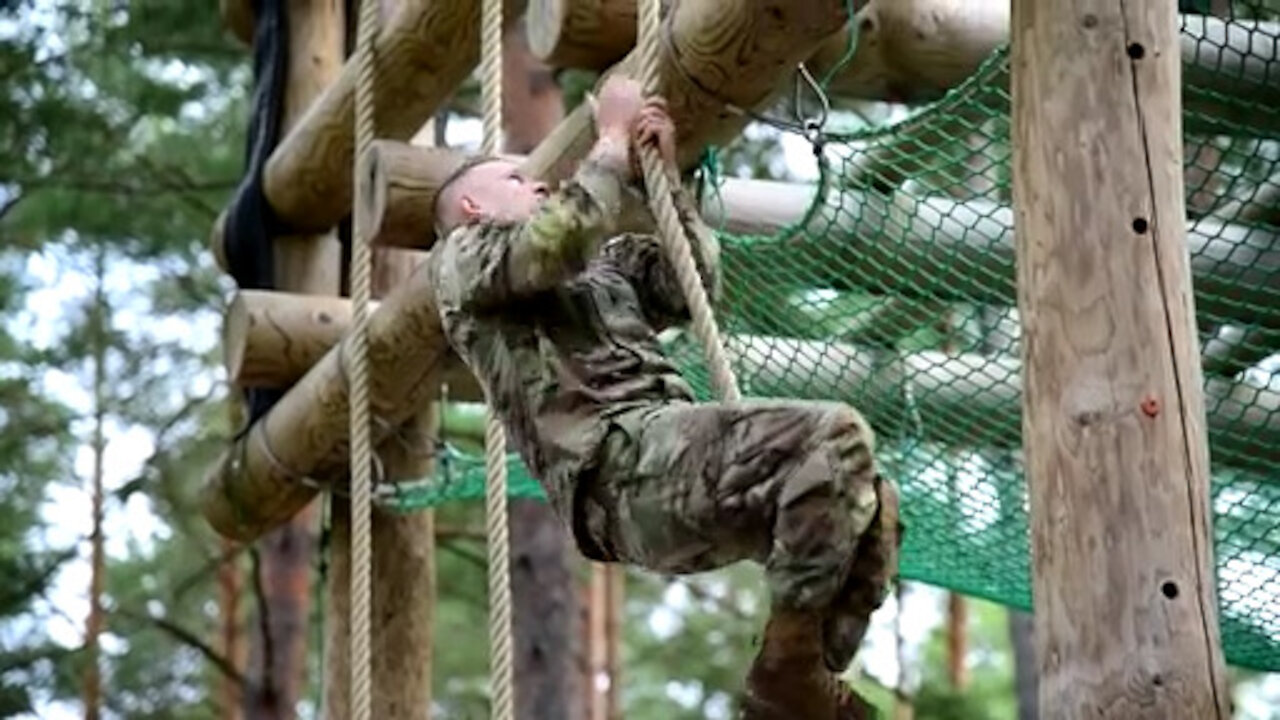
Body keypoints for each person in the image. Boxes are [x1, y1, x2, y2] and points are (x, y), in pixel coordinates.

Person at [427, 74, 901, 719]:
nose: (537, 183)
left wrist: (665, 180)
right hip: (618, 476)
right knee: (833, 434)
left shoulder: (602, 269)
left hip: (671, 464)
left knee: (871, 498)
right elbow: (553, 246)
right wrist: (611, 142)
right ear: (473, 211)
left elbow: (693, 284)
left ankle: (798, 686)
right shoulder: (461, 263)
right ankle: (788, 671)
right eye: (515, 181)